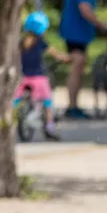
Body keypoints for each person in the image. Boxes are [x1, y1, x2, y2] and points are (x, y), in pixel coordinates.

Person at [59, 0, 107, 120]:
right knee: (77, 67)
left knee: (78, 68)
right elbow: (85, 11)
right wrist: (103, 26)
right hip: (75, 34)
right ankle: (72, 107)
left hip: (77, 34)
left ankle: (74, 106)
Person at [17, 10, 68, 140]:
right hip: (38, 78)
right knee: (47, 102)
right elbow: (56, 54)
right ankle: (49, 127)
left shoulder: (21, 43)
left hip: (23, 77)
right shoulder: (41, 42)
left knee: (16, 100)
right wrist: (66, 58)